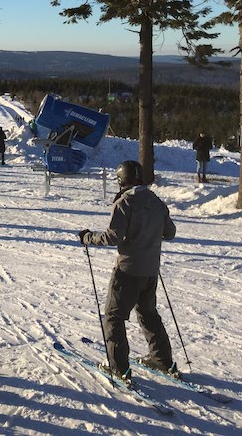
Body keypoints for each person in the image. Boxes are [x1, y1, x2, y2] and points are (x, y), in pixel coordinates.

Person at [78, 160, 177, 383]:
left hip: (127, 270)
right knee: (148, 314)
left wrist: (88, 237)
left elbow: (113, 236)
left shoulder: (124, 202)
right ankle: (162, 359)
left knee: (113, 317)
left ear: (122, 179)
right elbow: (169, 232)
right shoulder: (155, 201)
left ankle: (118, 368)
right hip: (150, 270)